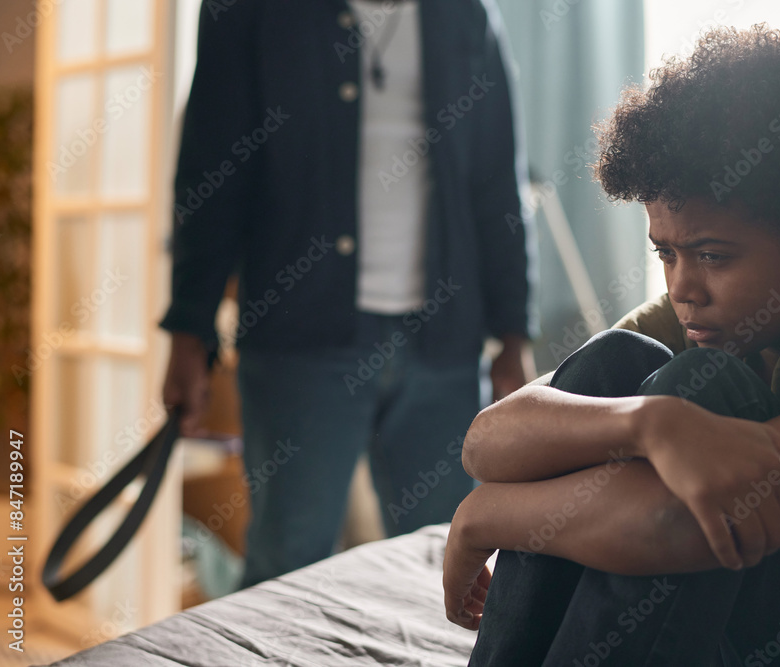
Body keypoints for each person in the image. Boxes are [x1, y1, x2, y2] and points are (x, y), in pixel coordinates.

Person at [443, 23, 780, 666]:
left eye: (713, 256)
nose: (683, 288)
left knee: (702, 386)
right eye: (665, 254)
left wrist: (482, 517)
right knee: (615, 362)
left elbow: (675, 529)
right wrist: (650, 424)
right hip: (770, 627)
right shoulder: (704, 316)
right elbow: (488, 442)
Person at [161, 0, 536, 588]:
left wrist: (514, 336)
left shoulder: (466, 14)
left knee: (452, 565)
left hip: (443, 346)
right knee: (286, 566)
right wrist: (189, 329)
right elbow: (212, 173)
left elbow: (497, 182)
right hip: (299, 340)